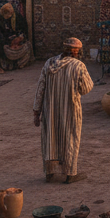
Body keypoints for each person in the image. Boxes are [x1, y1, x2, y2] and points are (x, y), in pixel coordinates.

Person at [33, 37, 93, 183]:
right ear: (77, 51)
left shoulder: (49, 63)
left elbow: (41, 88)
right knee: (70, 139)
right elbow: (85, 89)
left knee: (50, 139)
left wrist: (36, 111)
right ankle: (70, 174)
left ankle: (49, 172)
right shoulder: (78, 66)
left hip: (50, 111)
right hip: (70, 111)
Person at [0, 2, 31, 73]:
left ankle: (18, 64)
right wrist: (10, 42)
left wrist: (20, 38)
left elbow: (24, 30)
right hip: (6, 42)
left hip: (17, 41)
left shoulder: (18, 18)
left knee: (27, 46)